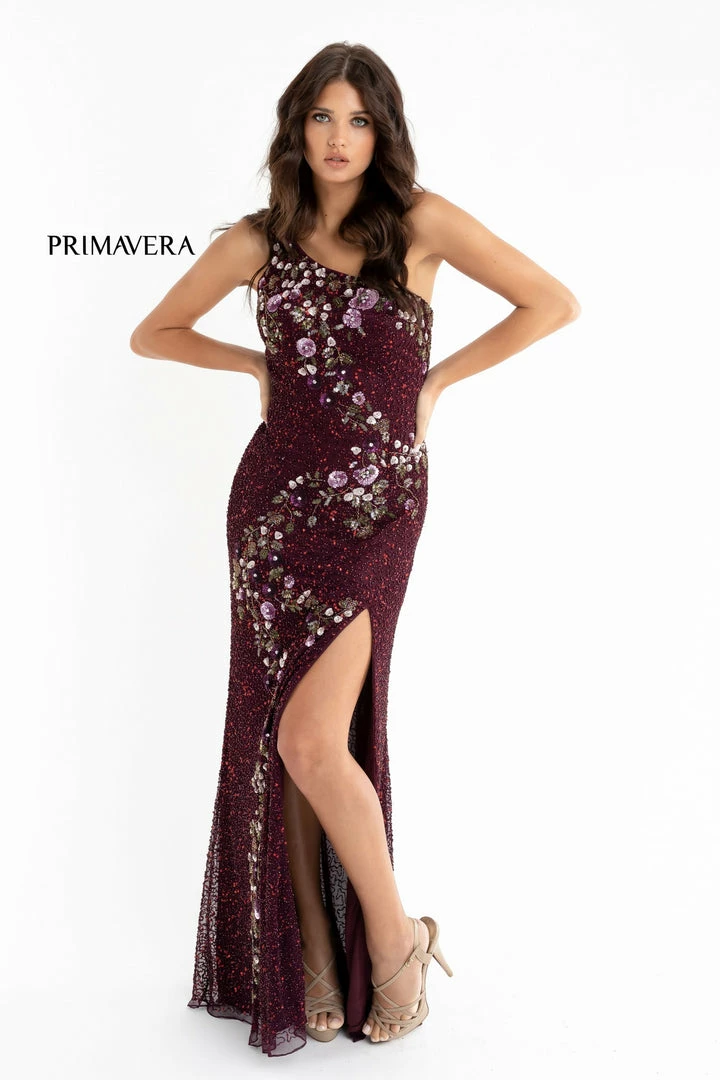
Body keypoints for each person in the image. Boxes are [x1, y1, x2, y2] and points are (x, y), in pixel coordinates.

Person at [130, 40, 580, 1058]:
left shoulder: (420, 222)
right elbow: (153, 333)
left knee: (311, 738)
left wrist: (435, 382)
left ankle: (395, 937)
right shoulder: (259, 239)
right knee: (287, 734)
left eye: (359, 120)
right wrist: (253, 365)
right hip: (272, 508)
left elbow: (551, 303)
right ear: (297, 128)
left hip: (379, 505)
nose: (339, 138)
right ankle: (315, 959)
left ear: (385, 132)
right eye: (322, 118)